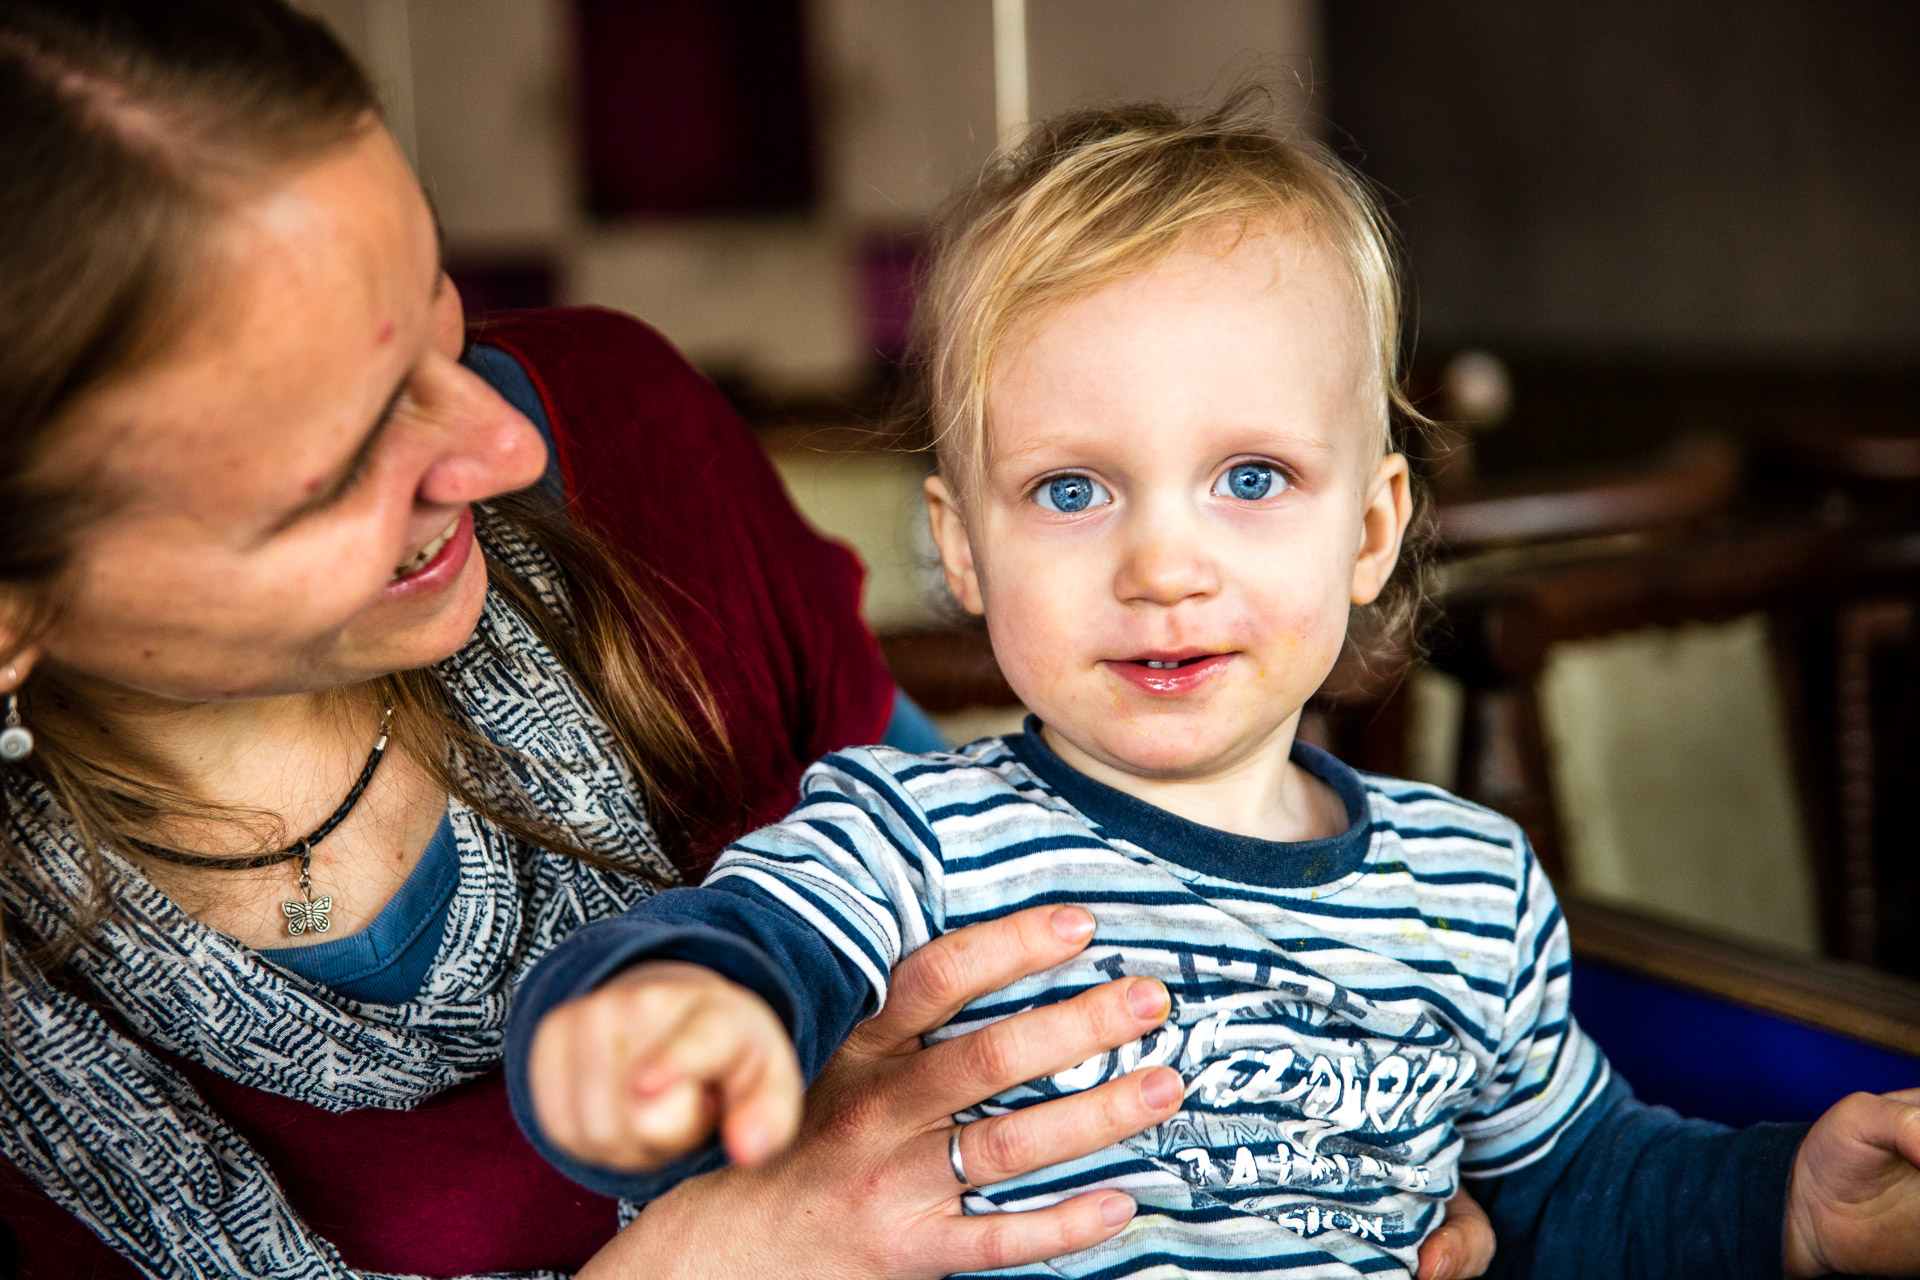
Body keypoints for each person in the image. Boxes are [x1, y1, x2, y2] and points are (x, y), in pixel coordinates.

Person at [3, 6, 1503, 1279]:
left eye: (441, 319)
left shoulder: (628, 435)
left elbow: (1007, 871)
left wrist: (1332, 1180)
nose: (500, 451)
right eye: (339, 463)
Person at [511, 101, 1920, 1279]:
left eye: (1252, 478)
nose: (1163, 567)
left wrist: (1792, 1205)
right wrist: (669, 1024)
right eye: (1072, 490)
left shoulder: (1471, 890)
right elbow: (738, 954)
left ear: (1369, 529)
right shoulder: (910, 843)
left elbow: (1578, 1186)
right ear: (963, 549)